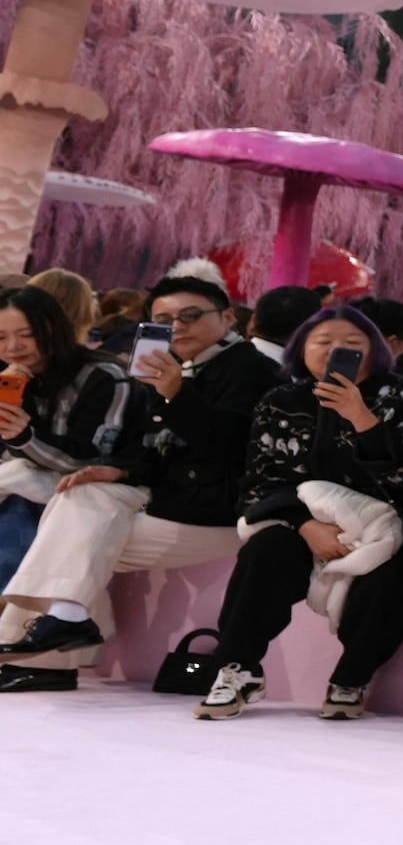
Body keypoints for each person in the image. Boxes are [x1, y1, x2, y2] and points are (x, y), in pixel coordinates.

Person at [0, 275, 277, 692]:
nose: (177, 326)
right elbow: (144, 445)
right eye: (164, 319)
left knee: (71, 531)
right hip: (166, 500)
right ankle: (59, 638)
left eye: (190, 316)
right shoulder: (166, 366)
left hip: (221, 513)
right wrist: (120, 469)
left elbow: (231, 446)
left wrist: (176, 395)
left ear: (227, 318)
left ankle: (49, 648)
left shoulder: (252, 369)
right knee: (79, 504)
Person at [193, 304, 403, 718]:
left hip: (385, 523)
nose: (336, 350)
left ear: (377, 349)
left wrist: (363, 420)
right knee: (265, 551)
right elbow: (261, 479)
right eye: (322, 342)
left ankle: (351, 678)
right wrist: (306, 526)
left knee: (401, 576)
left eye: (352, 343)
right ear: (301, 350)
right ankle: (237, 667)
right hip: (303, 521)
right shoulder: (281, 399)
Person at [0, 283, 129, 592]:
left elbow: (89, 458)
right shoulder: (8, 374)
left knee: (19, 512)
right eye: (0, 337)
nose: (13, 347)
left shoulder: (102, 376)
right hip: (17, 487)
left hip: (78, 492)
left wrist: (23, 437)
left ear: (53, 327)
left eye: (27, 334)